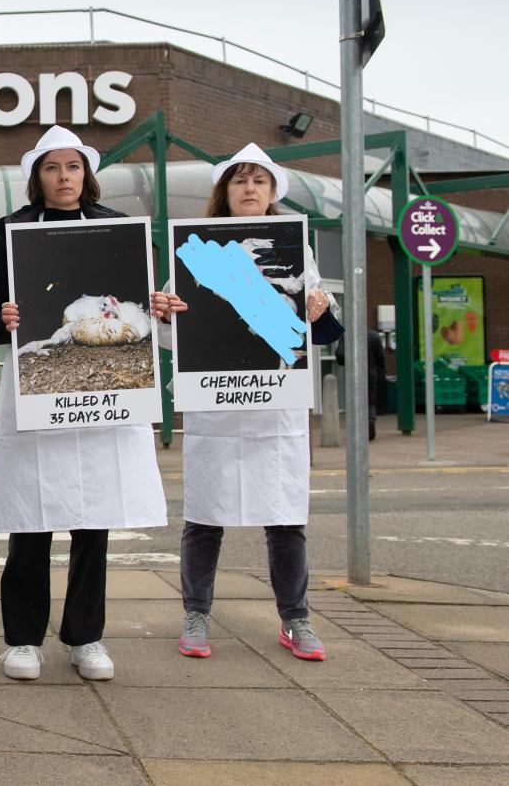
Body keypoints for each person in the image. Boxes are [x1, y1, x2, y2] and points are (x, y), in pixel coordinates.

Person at [0, 126, 169, 683]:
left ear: (87, 173)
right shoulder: (9, 236)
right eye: (53, 168)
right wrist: (1, 321)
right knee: (30, 522)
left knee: (94, 522)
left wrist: (157, 305)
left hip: (105, 408)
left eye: (73, 167)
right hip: (37, 401)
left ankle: (86, 636)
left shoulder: (121, 232)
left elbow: (149, 309)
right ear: (37, 176)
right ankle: (22, 639)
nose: (64, 177)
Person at [155, 142, 340, 662]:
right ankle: (196, 614)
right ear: (225, 191)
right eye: (239, 180)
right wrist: (166, 313)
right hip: (216, 404)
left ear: (273, 192)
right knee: (204, 515)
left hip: (275, 408)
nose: (249, 189)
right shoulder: (195, 248)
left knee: (285, 517)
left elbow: (323, 331)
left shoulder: (295, 248)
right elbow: (174, 333)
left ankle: (296, 619)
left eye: (259, 180)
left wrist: (320, 308)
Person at [336, 328, 387, 440]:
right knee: (370, 400)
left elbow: (340, 355)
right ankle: (370, 420)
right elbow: (381, 358)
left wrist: (345, 362)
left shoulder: (347, 335)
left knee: (354, 400)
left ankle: (357, 427)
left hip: (352, 373)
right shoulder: (374, 336)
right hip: (371, 373)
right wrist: (381, 374)